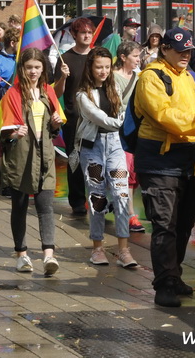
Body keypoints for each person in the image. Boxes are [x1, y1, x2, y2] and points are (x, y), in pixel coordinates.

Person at [134, 27, 195, 308]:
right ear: (164, 49)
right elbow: (163, 115)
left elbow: (194, 110)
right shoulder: (151, 77)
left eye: (189, 51)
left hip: (188, 162)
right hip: (160, 162)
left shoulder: (186, 77)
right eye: (180, 50)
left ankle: (174, 274)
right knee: (165, 225)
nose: (186, 55)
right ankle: (164, 285)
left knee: (184, 224)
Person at [0, 48, 63, 276]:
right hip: (21, 158)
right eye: (29, 68)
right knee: (20, 207)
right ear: (22, 69)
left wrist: (55, 123)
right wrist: (14, 133)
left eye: (37, 67)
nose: (33, 72)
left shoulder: (48, 92)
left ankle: (49, 255)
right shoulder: (13, 94)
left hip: (45, 157)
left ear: (43, 68)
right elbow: (3, 132)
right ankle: (22, 255)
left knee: (46, 206)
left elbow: (54, 130)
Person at [76, 47, 138, 269]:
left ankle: (124, 250)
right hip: (92, 148)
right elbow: (100, 118)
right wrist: (123, 123)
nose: (103, 71)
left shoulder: (115, 88)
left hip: (115, 147)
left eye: (106, 67)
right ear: (90, 68)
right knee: (97, 197)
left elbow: (122, 109)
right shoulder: (83, 95)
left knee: (121, 194)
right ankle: (97, 248)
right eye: (98, 67)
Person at [60, 17, 95, 215]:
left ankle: (97, 198)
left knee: (97, 159)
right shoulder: (65, 58)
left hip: (96, 117)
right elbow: (57, 91)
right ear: (74, 34)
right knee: (75, 160)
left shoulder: (98, 56)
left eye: (90, 32)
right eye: (83, 32)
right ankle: (77, 201)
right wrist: (62, 77)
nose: (87, 36)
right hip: (74, 118)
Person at [112, 40, 145, 233]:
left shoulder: (139, 77)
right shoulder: (113, 78)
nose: (138, 59)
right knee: (127, 173)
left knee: (135, 172)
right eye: (135, 56)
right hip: (119, 133)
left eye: (139, 56)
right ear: (123, 57)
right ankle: (130, 215)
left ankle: (119, 204)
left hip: (135, 132)